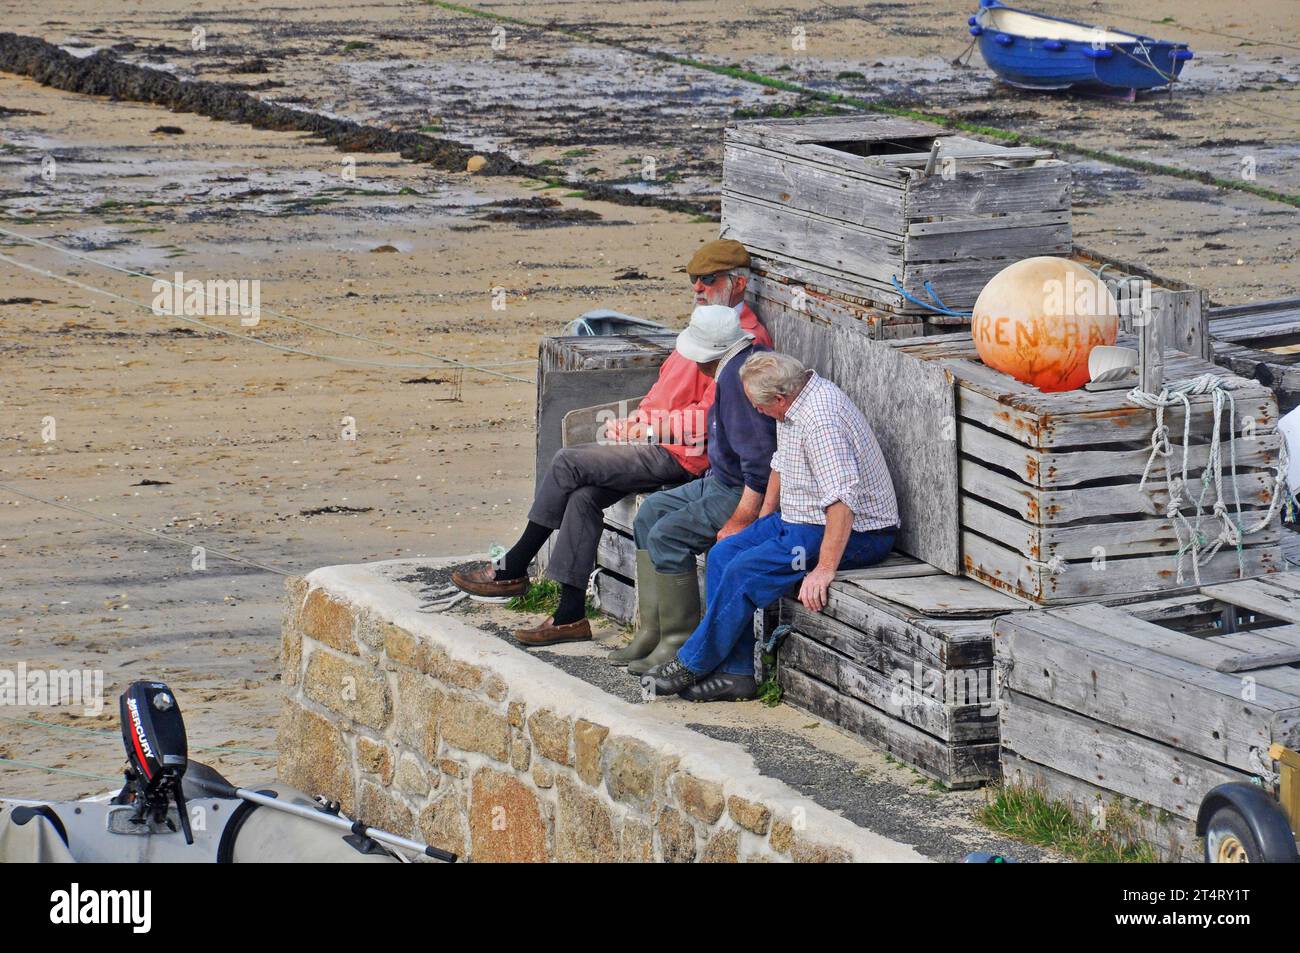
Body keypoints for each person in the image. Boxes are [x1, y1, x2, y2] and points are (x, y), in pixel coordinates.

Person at [451, 239, 770, 647]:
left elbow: (715, 419)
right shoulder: (707, 323)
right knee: (583, 495)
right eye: (694, 280)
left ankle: (513, 566)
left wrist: (651, 430)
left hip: (681, 455)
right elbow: (667, 388)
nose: (697, 288)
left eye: (708, 280)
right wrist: (637, 418)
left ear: (738, 284)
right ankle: (569, 616)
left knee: (568, 463)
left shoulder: (746, 343)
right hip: (657, 441)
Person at [647, 352, 899, 701]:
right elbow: (781, 463)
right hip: (799, 518)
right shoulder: (794, 401)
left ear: (779, 398)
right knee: (724, 554)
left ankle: (691, 662)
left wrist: (825, 569)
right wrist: (762, 522)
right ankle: (736, 675)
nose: (757, 412)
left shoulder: (821, 421)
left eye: (758, 406)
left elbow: (842, 503)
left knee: (744, 571)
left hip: (858, 532)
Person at [611, 305, 776, 676]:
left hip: (736, 490)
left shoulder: (738, 380)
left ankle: (678, 640)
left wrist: (742, 519)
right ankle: (652, 629)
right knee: (650, 512)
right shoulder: (735, 366)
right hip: (719, 479)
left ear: (707, 355)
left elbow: (760, 467)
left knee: (668, 536)